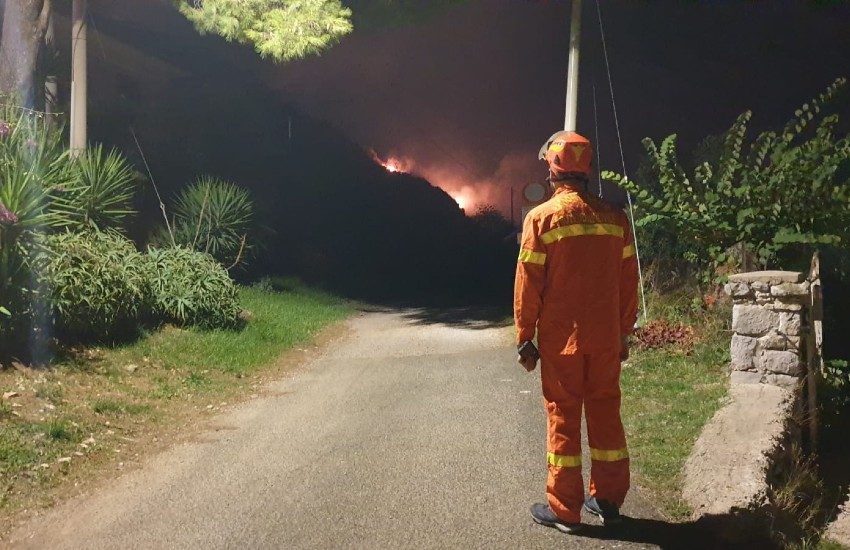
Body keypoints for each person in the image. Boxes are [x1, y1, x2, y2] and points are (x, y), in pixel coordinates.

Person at [514, 130, 639, 533]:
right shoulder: (615, 218)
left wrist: (524, 335)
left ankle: (565, 509)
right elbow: (628, 282)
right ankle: (607, 501)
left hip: (561, 342)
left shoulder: (541, 218)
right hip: (604, 340)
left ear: (552, 169)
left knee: (563, 419)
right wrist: (623, 331)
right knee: (606, 417)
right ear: (588, 169)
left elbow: (528, 283)